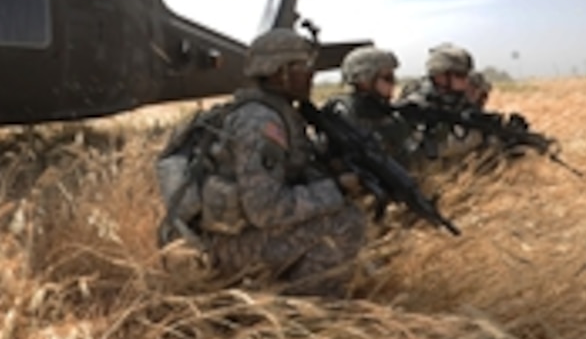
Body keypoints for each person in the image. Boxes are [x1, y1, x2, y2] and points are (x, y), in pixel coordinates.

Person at [156, 28, 366, 298]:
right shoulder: (260, 122)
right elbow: (265, 210)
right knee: (346, 222)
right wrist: (335, 189)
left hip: (232, 236)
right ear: (280, 71)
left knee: (338, 212)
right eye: (304, 66)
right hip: (219, 247)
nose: (312, 74)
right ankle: (304, 317)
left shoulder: (279, 112)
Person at [324, 45, 412, 164]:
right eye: (388, 78)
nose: (394, 83)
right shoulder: (344, 115)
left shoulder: (385, 111)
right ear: (364, 80)